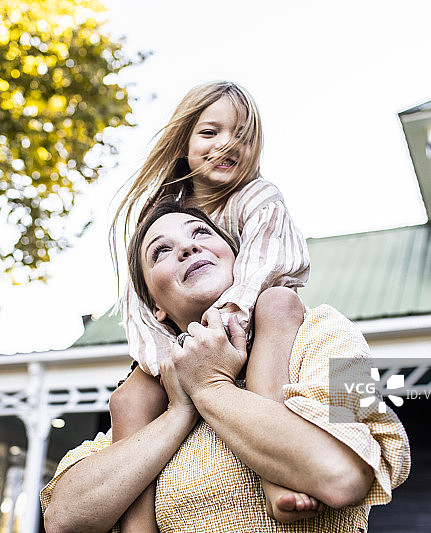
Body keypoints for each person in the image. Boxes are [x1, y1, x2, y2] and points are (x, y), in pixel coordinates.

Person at [42, 203, 410, 532]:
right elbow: (62, 519)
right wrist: (179, 410)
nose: (187, 247)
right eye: (161, 251)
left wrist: (211, 388)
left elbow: (344, 474)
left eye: (200, 232)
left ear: (238, 258)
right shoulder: (151, 402)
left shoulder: (330, 333)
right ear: (156, 307)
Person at [108, 81, 314, 528]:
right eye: (210, 132)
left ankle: (276, 473)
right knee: (128, 398)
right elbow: (139, 304)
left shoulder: (258, 198)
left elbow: (267, 264)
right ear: (183, 143)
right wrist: (166, 360)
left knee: (279, 300)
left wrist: (226, 322)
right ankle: (138, 525)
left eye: (242, 134)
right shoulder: (160, 215)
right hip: (186, 340)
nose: (227, 144)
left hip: (253, 317)